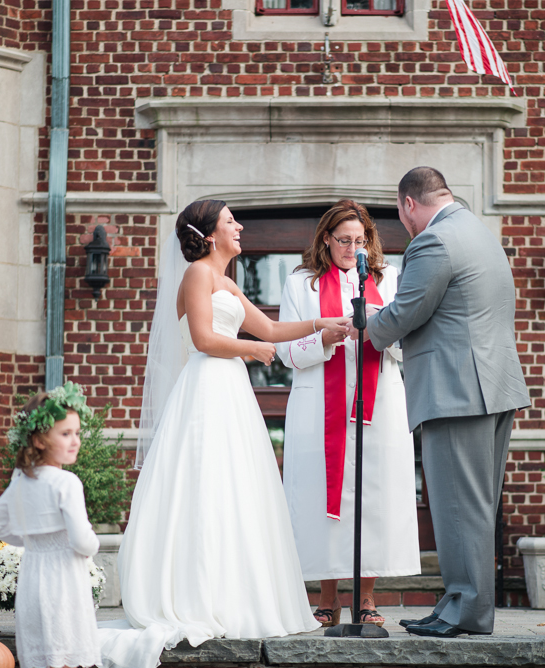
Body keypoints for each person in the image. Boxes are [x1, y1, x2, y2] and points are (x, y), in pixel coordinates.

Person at [98, 200, 348, 668]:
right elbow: (203, 338)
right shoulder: (197, 274)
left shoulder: (228, 282)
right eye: (232, 221)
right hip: (207, 388)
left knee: (239, 488)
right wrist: (251, 350)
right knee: (204, 485)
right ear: (209, 235)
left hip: (232, 391)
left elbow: (272, 328)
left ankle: (240, 594)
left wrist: (322, 326)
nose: (240, 227)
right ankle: (198, 595)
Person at [350, 167, 530, 638]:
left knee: (457, 504)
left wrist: (366, 324)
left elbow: (407, 311)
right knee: (475, 503)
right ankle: (456, 601)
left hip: (457, 390)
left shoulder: (432, 241)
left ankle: (466, 609)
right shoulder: (479, 232)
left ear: (410, 203)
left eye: (400, 213)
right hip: (491, 386)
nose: (404, 223)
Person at [276, 200, 420, 628]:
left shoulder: (387, 278)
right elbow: (285, 351)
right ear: (326, 239)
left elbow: (405, 346)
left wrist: (375, 328)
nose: (352, 247)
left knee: (373, 494)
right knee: (320, 496)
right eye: (344, 240)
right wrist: (325, 335)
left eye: (360, 240)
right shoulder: (301, 283)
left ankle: (368, 598)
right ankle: (327, 597)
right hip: (319, 402)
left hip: (380, 404)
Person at [0, 383, 102, 668]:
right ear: (38, 440)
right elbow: (82, 540)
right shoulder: (66, 482)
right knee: (67, 656)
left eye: (77, 433)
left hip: (33, 582)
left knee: (43, 658)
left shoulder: (21, 480)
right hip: (64, 582)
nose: (75, 441)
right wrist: (91, 543)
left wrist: (32, 541)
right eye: (65, 434)